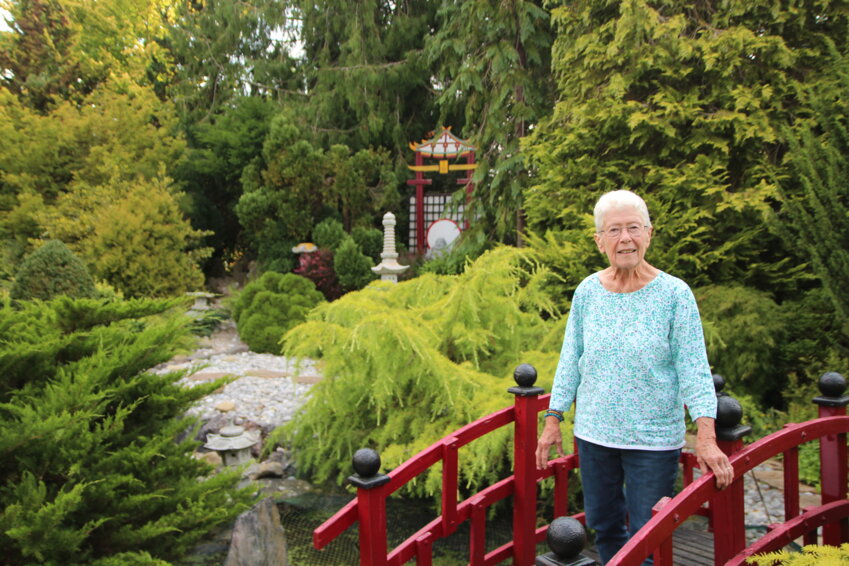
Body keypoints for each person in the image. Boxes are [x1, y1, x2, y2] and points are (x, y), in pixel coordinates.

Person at [535, 190, 734, 565]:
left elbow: (693, 368)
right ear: (599, 241)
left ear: (649, 234)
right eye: (614, 230)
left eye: (633, 228)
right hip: (594, 435)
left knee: (648, 533)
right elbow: (570, 361)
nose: (625, 238)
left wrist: (706, 437)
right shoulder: (587, 293)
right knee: (604, 525)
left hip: (653, 441)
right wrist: (553, 419)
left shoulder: (675, 294)